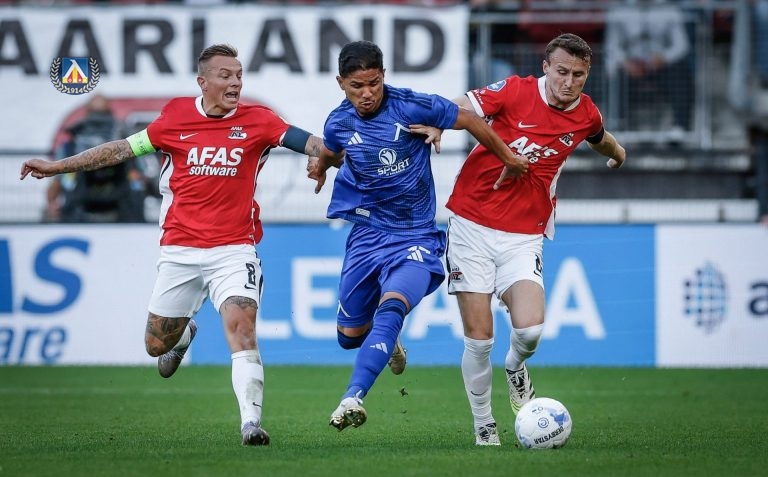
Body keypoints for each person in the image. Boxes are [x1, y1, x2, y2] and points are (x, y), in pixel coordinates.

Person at [20, 43, 327, 447]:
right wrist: (57, 167)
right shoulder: (175, 118)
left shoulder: (260, 121)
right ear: (203, 82)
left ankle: (250, 424)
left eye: (239, 75)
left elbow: (314, 142)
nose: (235, 82)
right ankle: (182, 336)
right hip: (180, 251)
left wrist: (322, 158)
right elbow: (120, 150)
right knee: (155, 347)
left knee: (242, 329)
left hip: (234, 249)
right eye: (225, 75)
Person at [306, 40, 529, 433]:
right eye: (357, 86)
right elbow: (333, 149)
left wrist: (508, 157)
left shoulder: (410, 105)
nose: (367, 93)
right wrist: (322, 166)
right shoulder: (338, 122)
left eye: (374, 83)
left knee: (392, 307)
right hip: (367, 236)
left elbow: (469, 119)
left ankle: (352, 397)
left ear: (383, 76)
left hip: (415, 237)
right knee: (349, 337)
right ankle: (388, 340)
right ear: (341, 83)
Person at [416, 33, 626, 446]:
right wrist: (439, 123)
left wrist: (619, 155)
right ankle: (484, 425)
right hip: (471, 224)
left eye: (578, 75)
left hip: (524, 235)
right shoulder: (514, 91)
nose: (568, 82)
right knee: (479, 339)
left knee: (529, 332)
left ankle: (515, 367)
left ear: (587, 74)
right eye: (561, 71)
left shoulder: (585, 113)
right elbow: (463, 105)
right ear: (545, 67)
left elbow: (600, 137)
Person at [45, 94, 145, 223]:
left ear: (87, 111)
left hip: (83, 209)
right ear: (110, 111)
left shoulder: (72, 143)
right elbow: (143, 175)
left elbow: (57, 180)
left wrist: (51, 203)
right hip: (118, 210)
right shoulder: (126, 141)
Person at [604, 0, 694, 134]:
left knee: (681, 73)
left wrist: (664, 57)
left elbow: (681, 45)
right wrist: (625, 62)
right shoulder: (619, 11)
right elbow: (612, 46)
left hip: (661, 67)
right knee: (613, 73)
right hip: (631, 66)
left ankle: (680, 128)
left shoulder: (670, 10)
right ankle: (617, 126)